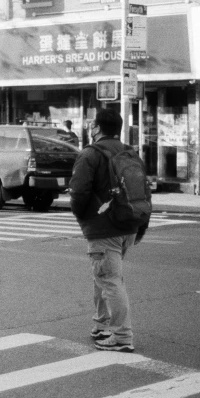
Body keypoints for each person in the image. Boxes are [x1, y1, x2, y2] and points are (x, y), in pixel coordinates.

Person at [69, 108, 149, 353]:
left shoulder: (90, 154)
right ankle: (102, 325)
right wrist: (141, 225)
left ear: (96, 128)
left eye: (92, 125)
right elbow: (144, 191)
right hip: (130, 225)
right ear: (119, 128)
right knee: (102, 277)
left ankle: (123, 336)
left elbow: (79, 192)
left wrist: (83, 216)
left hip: (104, 228)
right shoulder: (130, 153)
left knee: (110, 280)